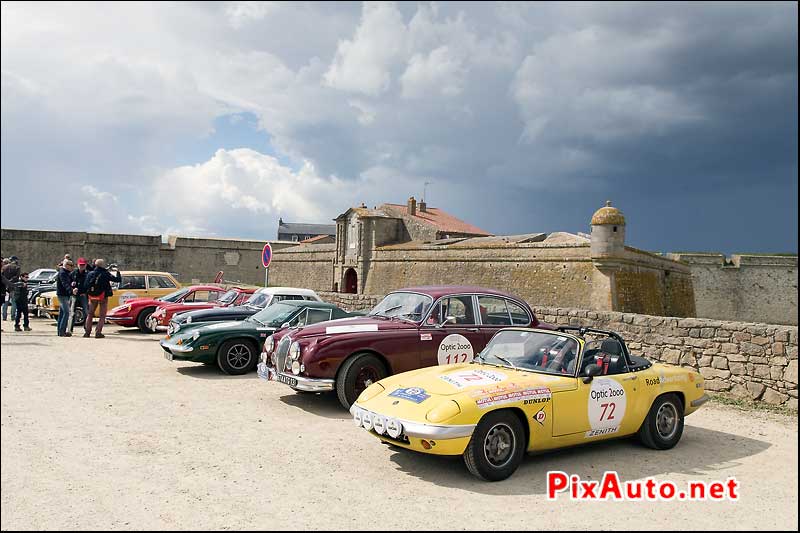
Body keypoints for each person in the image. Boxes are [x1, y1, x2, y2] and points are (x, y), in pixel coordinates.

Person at [83, 259, 121, 339]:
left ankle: (87, 332)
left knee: (90, 314)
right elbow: (117, 280)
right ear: (102, 265)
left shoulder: (90, 273)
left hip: (92, 296)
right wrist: (118, 272)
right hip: (102, 296)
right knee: (102, 315)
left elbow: (85, 285)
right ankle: (98, 332)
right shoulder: (105, 273)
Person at [68, 258, 90, 333]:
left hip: (83, 295)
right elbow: (68, 283)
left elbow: (89, 284)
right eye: (80, 265)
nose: (82, 266)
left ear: (85, 265)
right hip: (74, 295)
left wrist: (86, 291)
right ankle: (70, 330)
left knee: (86, 312)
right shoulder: (73, 273)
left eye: (83, 265)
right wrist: (72, 289)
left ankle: (87, 329)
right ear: (77, 265)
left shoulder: (87, 274)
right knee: (72, 313)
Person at [56, 260, 77, 337]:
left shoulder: (66, 273)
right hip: (62, 295)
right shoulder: (62, 273)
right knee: (66, 312)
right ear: (67, 265)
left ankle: (60, 331)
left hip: (65, 295)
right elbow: (65, 284)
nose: (72, 267)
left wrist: (73, 283)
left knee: (62, 313)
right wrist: (71, 291)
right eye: (71, 265)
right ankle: (62, 331)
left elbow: (69, 282)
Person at [2, 256, 21, 322]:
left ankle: (4, 317)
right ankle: (13, 317)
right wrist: (10, 281)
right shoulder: (17, 267)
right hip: (13, 287)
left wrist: (7, 282)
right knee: (14, 302)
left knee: (5, 302)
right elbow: (17, 277)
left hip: (5, 287)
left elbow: (2, 277)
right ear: (15, 260)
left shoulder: (4, 267)